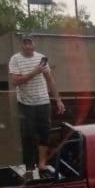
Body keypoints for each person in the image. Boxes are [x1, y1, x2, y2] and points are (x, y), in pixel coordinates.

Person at [9, 35, 65, 176]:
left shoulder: (42, 58)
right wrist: (34, 72)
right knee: (27, 135)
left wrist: (58, 100)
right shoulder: (15, 59)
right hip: (26, 103)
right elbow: (15, 81)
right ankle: (29, 167)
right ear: (21, 45)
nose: (28, 46)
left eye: (30, 43)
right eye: (25, 43)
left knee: (44, 134)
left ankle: (41, 164)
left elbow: (50, 81)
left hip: (43, 102)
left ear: (34, 45)